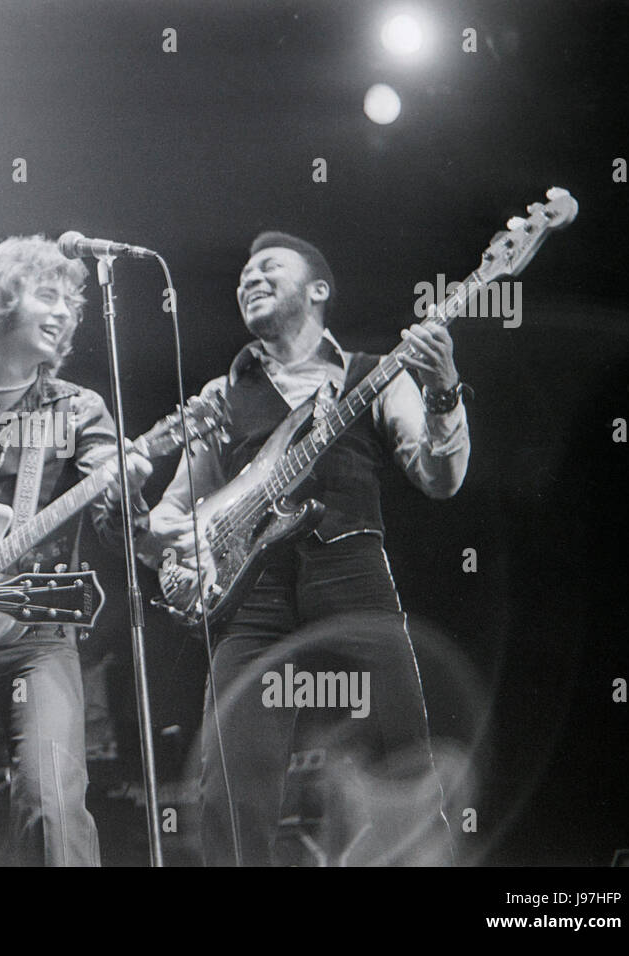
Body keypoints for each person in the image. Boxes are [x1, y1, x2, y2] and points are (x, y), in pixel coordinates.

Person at [139, 231, 467, 866]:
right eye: (242, 274)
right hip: (250, 601)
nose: (249, 278)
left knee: (404, 760)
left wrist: (445, 388)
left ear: (318, 290)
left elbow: (440, 478)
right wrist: (177, 544)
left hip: (353, 572)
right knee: (232, 789)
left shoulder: (374, 374)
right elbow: (172, 510)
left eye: (268, 267)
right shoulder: (220, 396)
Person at [0, 235, 150, 866]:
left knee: (50, 807)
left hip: (38, 632)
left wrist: (125, 487)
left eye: (72, 304)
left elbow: (116, 520)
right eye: (47, 296)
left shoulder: (78, 410)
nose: (65, 313)